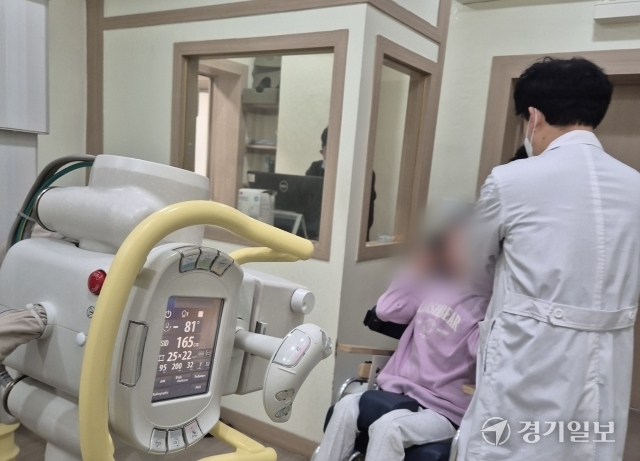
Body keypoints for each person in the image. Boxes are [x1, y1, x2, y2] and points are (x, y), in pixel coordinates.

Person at [457, 57, 640, 461]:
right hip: (607, 362)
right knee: (587, 447)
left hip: (528, 359)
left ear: (534, 117)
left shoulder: (510, 180)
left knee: (508, 449)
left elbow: (473, 267)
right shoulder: (635, 186)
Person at [315, 209, 488, 461]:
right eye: (449, 242)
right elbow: (387, 309)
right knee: (345, 407)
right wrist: (418, 267)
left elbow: (483, 353)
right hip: (401, 391)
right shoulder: (434, 285)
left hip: (444, 410)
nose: (451, 249)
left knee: (388, 428)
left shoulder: (486, 303)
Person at [307, 128, 377, 240]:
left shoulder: (364, 173)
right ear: (323, 152)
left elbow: (365, 215)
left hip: (351, 237)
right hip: (318, 235)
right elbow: (308, 207)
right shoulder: (315, 169)